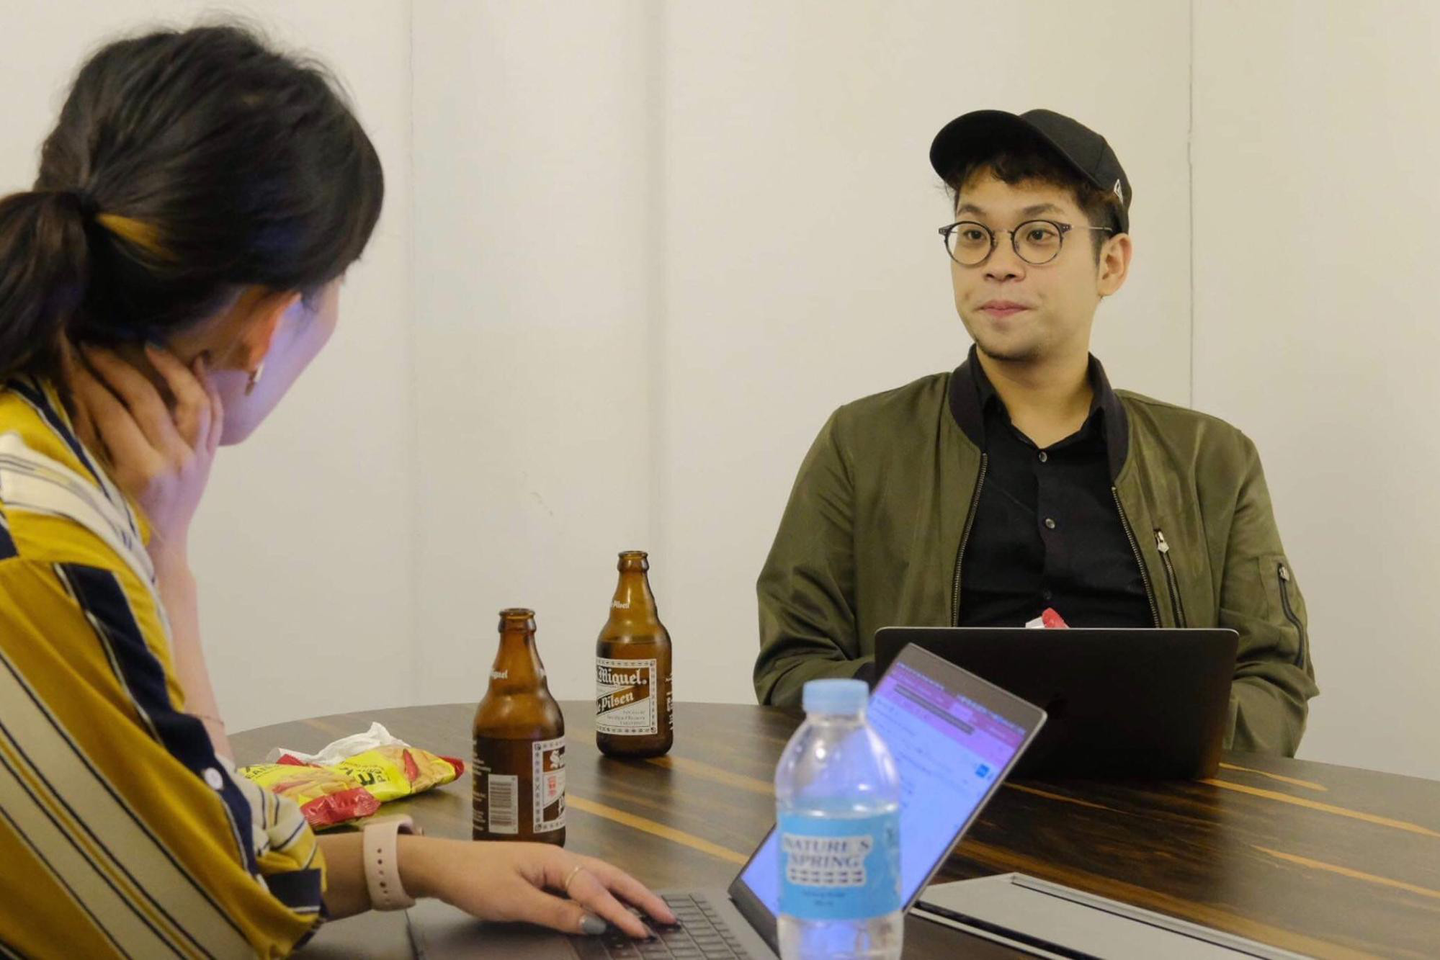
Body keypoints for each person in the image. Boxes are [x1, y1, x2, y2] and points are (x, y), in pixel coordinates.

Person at [0, 23, 672, 958]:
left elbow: (207, 837)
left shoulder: (39, 462)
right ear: (270, 326)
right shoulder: (49, 551)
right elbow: (224, 917)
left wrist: (415, 863)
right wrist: (169, 564)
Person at [754, 109, 1318, 755]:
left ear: (1111, 263)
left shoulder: (1210, 460)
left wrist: (1146, 730)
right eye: (975, 235)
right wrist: (944, 710)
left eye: (1039, 234)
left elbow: (1274, 678)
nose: (999, 264)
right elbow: (791, 667)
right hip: (932, 804)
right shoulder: (862, 444)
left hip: (1156, 807)